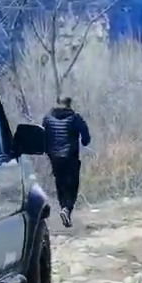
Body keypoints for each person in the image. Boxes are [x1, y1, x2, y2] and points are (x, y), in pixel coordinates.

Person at [41, 96, 91, 226]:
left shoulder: (48, 118)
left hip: (55, 158)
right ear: (69, 105)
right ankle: (67, 209)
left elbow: (42, 137)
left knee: (61, 185)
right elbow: (86, 138)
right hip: (70, 157)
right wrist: (82, 141)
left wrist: (48, 150)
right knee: (72, 186)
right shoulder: (74, 118)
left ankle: (64, 208)